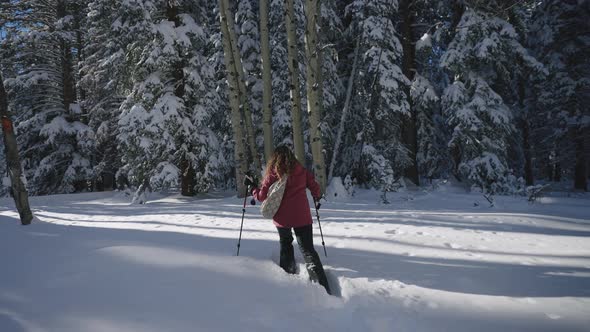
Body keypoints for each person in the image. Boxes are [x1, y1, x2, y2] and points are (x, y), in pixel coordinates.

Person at [245, 145, 331, 295]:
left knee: (285, 244)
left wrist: (252, 187)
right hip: (302, 217)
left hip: (282, 218)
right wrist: (317, 197)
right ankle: (322, 286)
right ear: (291, 156)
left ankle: (288, 277)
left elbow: (261, 196)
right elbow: (315, 188)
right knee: (308, 250)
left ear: (275, 158)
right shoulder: (301, 171)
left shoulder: (273, 174)